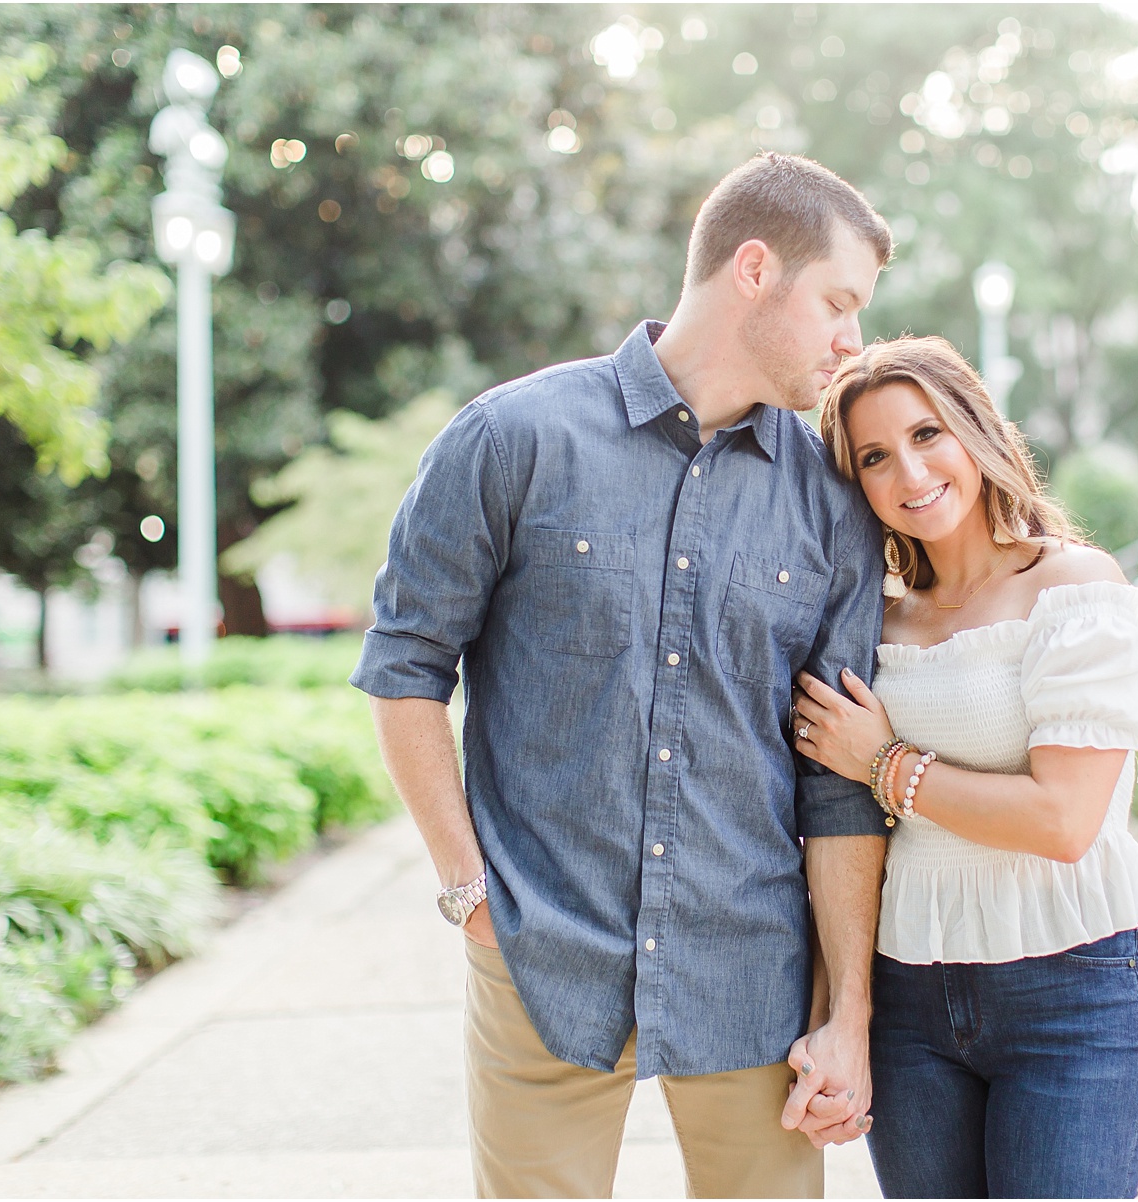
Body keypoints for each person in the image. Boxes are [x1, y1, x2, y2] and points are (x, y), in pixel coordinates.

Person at [351, 152, 894, 1199]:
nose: (851, 339)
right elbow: (405, 668)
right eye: (837, 301)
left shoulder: (828, 503)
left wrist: (848, 1013)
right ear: (751, 269)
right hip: (543, 953)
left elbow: (837, 786)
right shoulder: (511, 439)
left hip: (753, 973)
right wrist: (472, 893)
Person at [790, 336, 1138, 1199]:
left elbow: (1064, 821)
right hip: (910, 1005)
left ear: (976, 431)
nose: (910, 472)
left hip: (1071, 995)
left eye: (928, 434)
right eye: (875, 457)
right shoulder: (870, 625)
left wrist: (885, 763)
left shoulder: (1071, 587)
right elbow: (837, 826)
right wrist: (840, 1017)